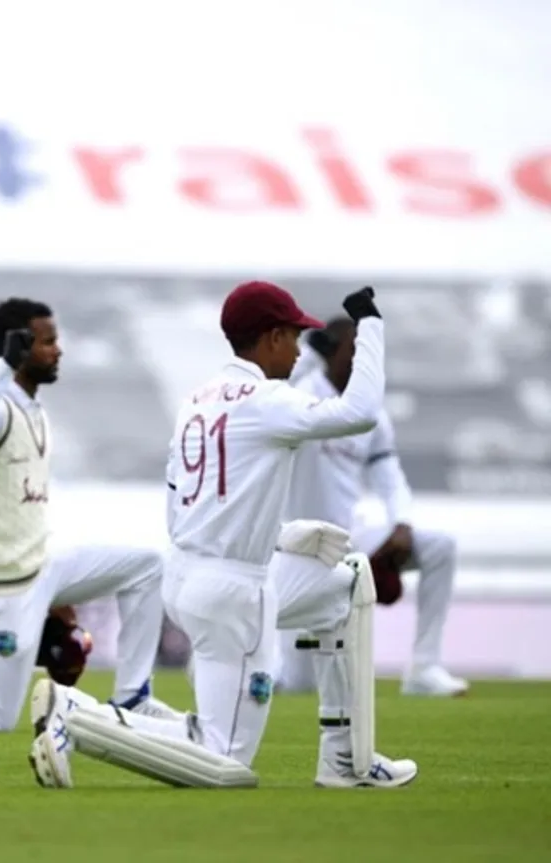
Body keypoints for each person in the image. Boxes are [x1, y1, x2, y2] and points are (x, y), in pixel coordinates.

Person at [29, 282, 418, 790]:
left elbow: (185, 499)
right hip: (235, 588)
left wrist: (279, 536)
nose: (300, 350)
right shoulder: (268, 398)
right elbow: (360, 413)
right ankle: (77, 715)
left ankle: (346, 759)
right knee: (224, 764)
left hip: (192, 573)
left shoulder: (197, 399)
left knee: (346, 584)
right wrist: (371, 327)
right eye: (295, 336)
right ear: (272, 336)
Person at [0, 297, 178, 734]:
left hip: (42, 566)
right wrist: (3, 366)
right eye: (47, 342)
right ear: (19, 349)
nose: (57, 350)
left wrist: (57, 595)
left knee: (147, 566)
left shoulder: (33, 408)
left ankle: (133, 696)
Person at [277, 317, 467, 696]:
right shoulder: (298, 398)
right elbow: (284, 383)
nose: (363, 362)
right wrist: (315, 353)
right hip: (298, 549)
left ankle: (423, 669)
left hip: (350, 538)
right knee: (299, 685)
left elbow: (389, 474)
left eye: (369, 353)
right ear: (329, 352)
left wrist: (401, 522)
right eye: (354, 350)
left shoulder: (371, 413)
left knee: (440, 547)